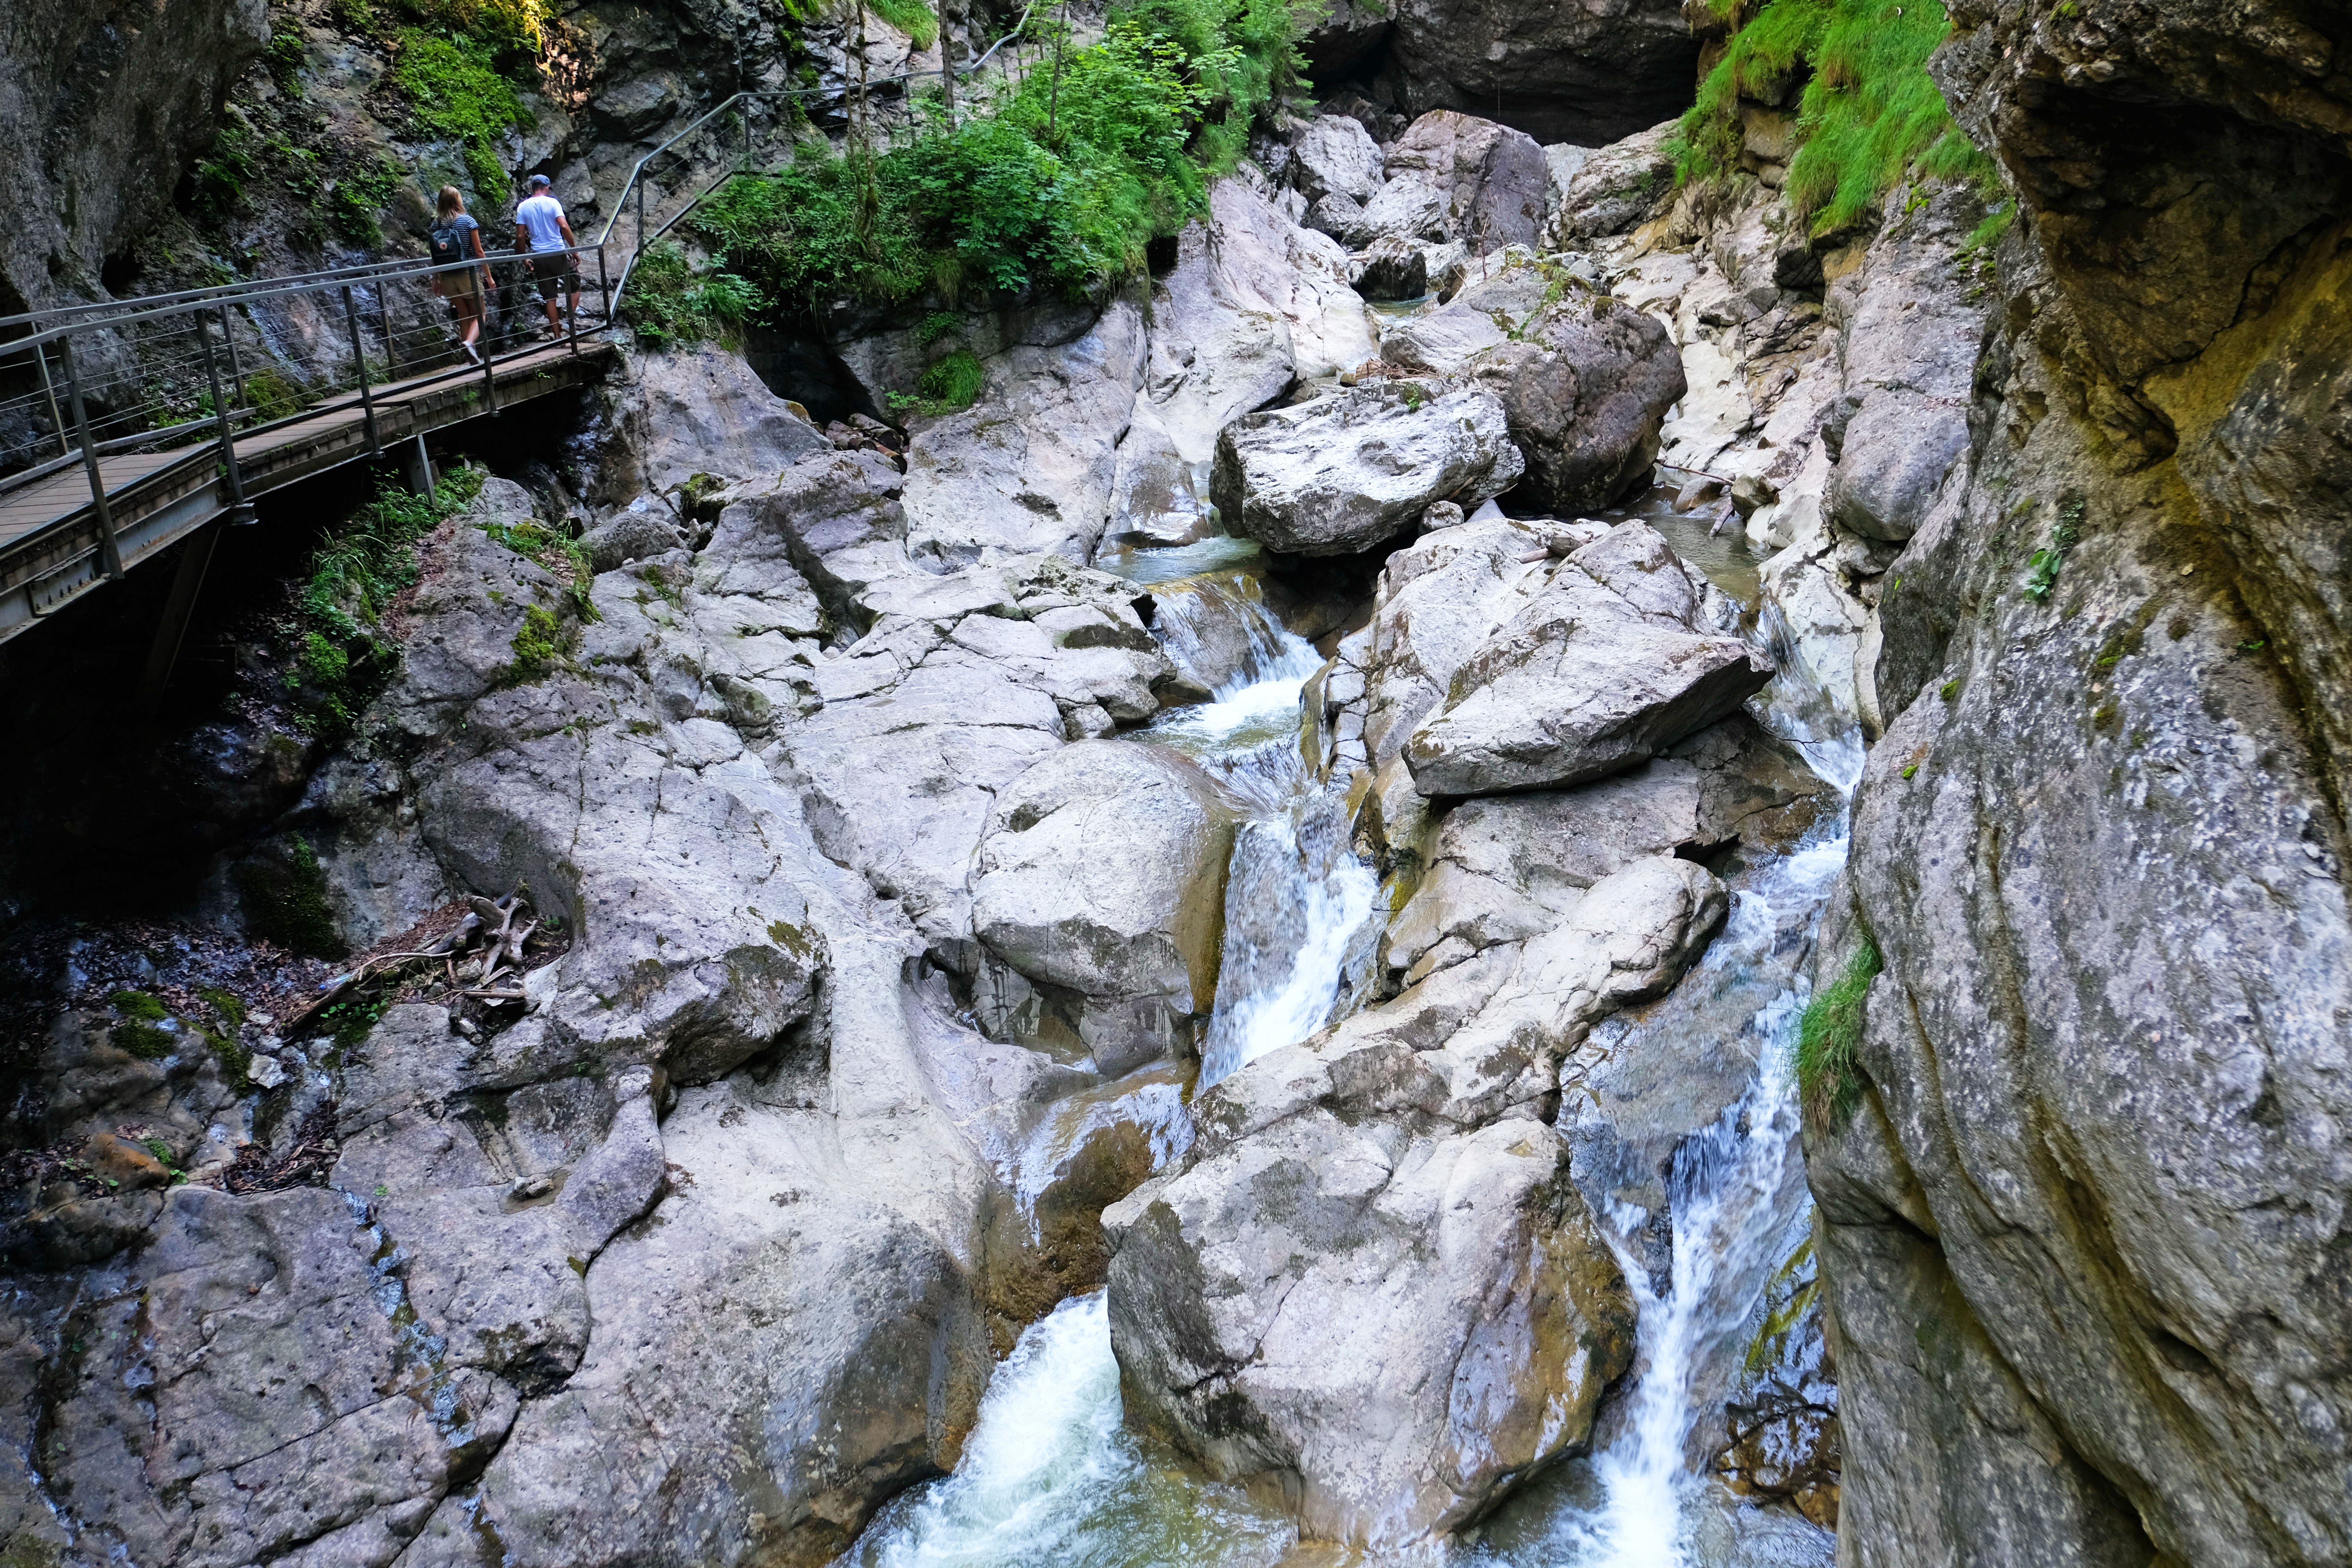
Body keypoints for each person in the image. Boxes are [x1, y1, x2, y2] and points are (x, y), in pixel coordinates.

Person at [427, 186, 493, 364]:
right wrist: (488, 276)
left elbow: (434, 255)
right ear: (458, 201)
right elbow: (479, 252)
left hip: (447, 276)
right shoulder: (468, 222)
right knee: (480, 314)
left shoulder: (436, 225)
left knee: (464, 315)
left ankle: (470, 358)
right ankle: (470, 343)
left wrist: (435, 279)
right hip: (468, 274)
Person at [514, 173, 581, 338]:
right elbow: (564, 226)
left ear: (532, 188)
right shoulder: (553, 203)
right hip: (557, 252)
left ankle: (557, 337)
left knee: (550, 298)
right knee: (575, 287)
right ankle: (568, 321)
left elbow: (521, 236)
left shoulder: (523, 207)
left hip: (538, 256)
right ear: (547, 187)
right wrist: (574, 249)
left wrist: (524, 257)